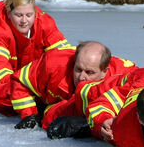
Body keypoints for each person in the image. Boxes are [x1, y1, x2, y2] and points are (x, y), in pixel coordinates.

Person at [7, 41, 136, 129]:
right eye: (78, 69)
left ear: (104, 71)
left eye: (89, 72)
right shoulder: (53, 63)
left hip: (60, 104)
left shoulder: (123, 75)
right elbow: (19, 81)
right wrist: (29, 114)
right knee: (1, 99)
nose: (81, 77)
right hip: (24, 95)